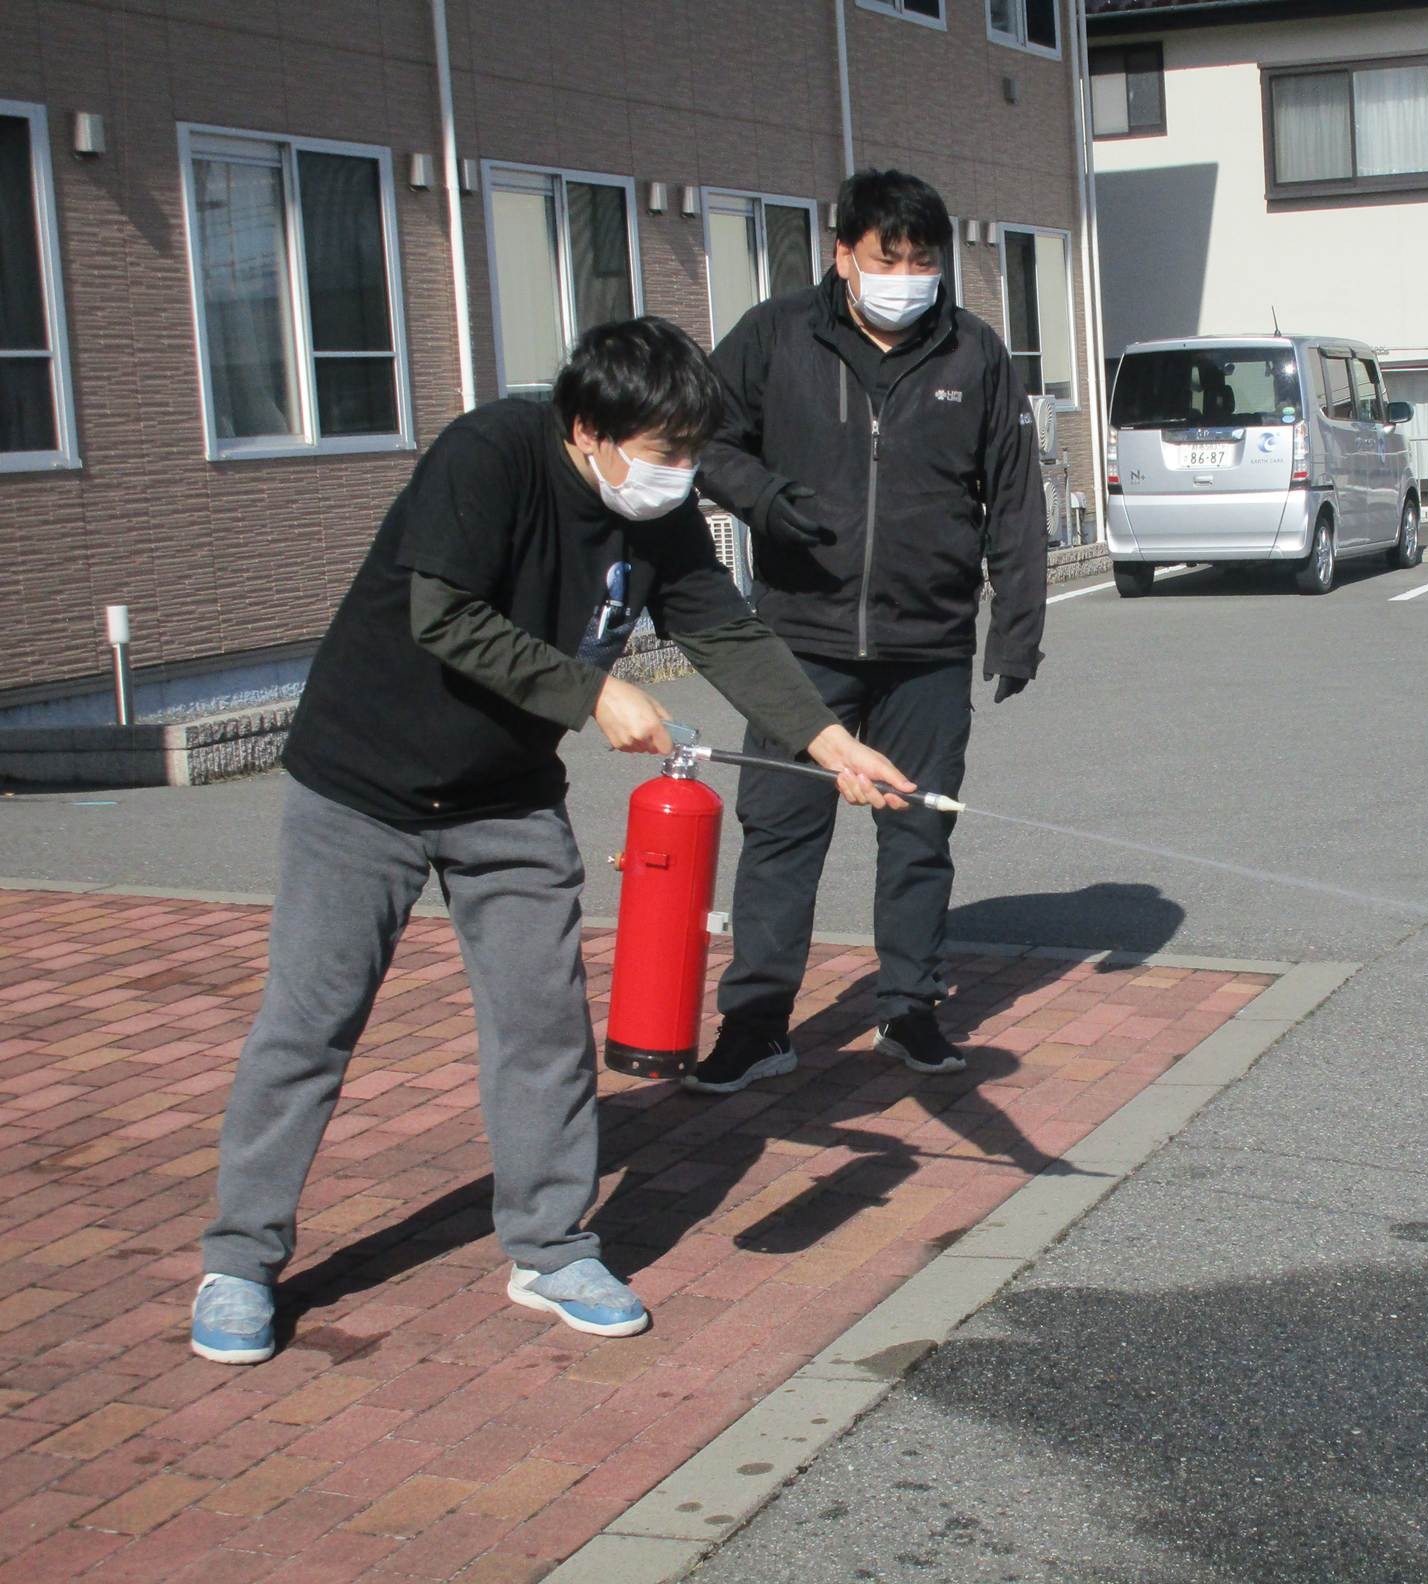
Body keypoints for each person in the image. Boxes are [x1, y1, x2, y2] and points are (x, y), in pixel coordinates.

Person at [192, 317, 913, 1365]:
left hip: (506, 797)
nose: (681, 476)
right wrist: (594, 693)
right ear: (587, 429)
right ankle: (240, 1261)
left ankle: (552, 1248)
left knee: (543, 1026)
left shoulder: (658, 509)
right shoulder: (488, 455)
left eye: (692, 453)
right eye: (664, 452)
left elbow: (721, 629)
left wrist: (830, 741)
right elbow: (445, 615)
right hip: (362, 785)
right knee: (310, 1027)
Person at [687, 168, 1047, 1094]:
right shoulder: (777, 335)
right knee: (780, 834)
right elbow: (701, 437)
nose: (908, 277)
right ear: (843, 254)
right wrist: (764, 498)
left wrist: (1017, 628)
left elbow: (1014, 496)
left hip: (928, 644)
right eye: (889, 259)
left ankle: (909, 1008)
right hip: (800, 639)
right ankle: (756, 1023)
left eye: (924, 261)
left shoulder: (973, 352)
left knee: (919, 834)